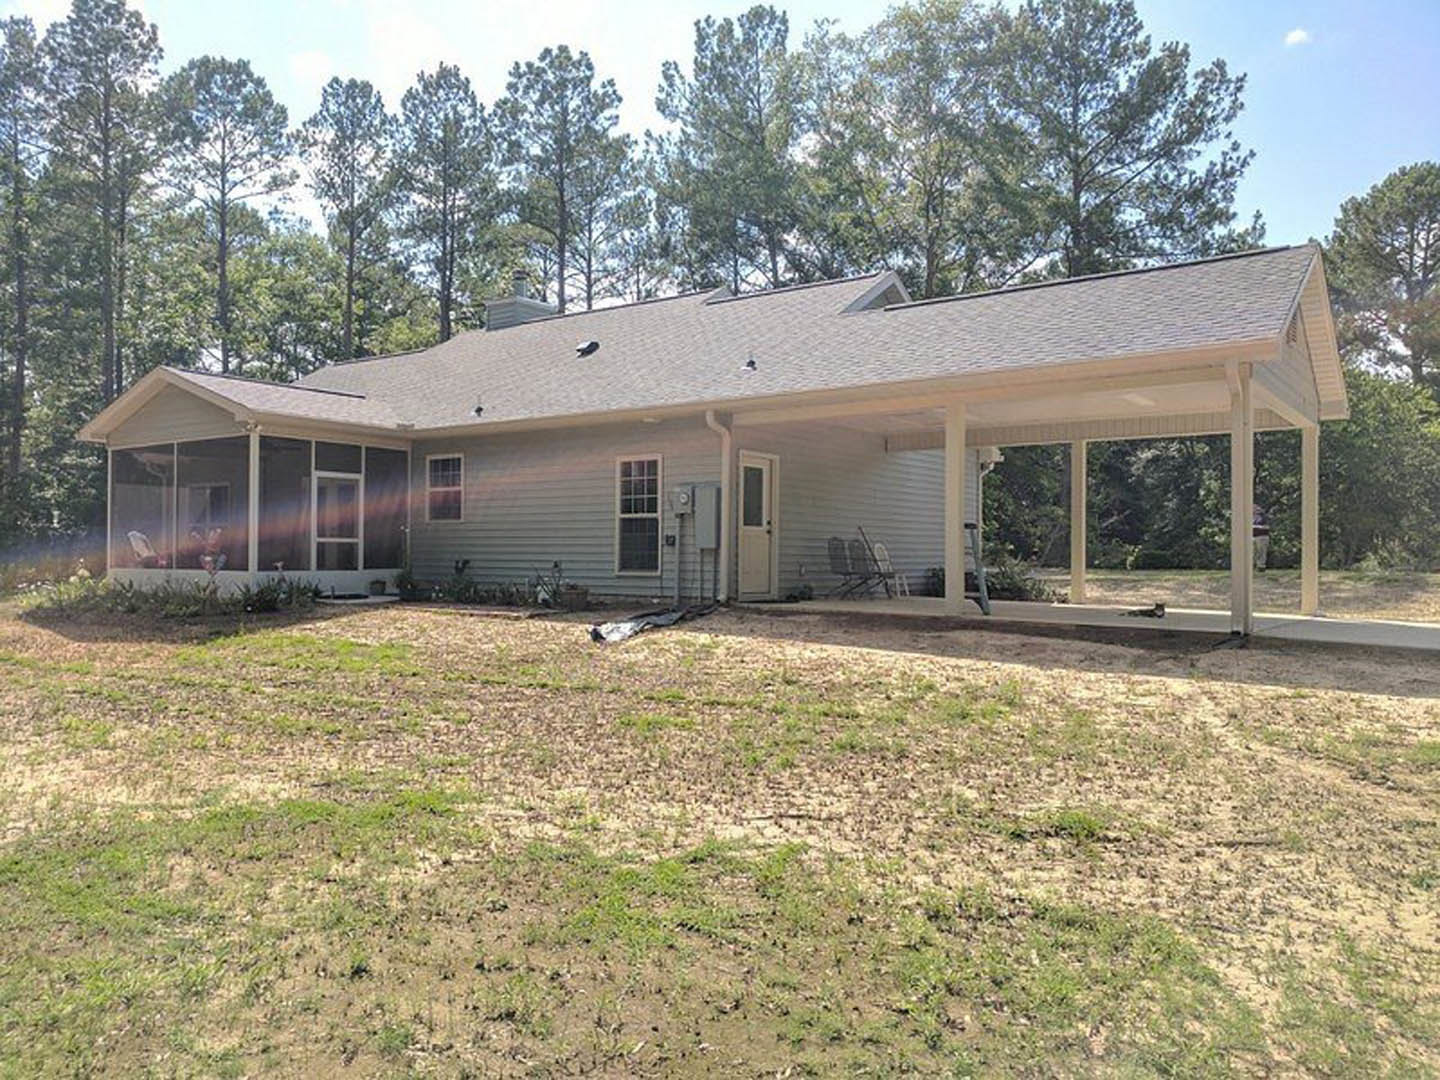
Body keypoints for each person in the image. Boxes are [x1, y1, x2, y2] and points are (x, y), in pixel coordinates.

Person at [1252, 505, 1271, 571]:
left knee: (1261, 552)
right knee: (1253, 552)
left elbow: (1267, 527)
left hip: (1262, 537)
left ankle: (1261, 567)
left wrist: (1255, 526)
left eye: (1255, 508)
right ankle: (1253, 566)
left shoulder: (1264, 517)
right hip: (1253, 537)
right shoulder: (1251, 517)